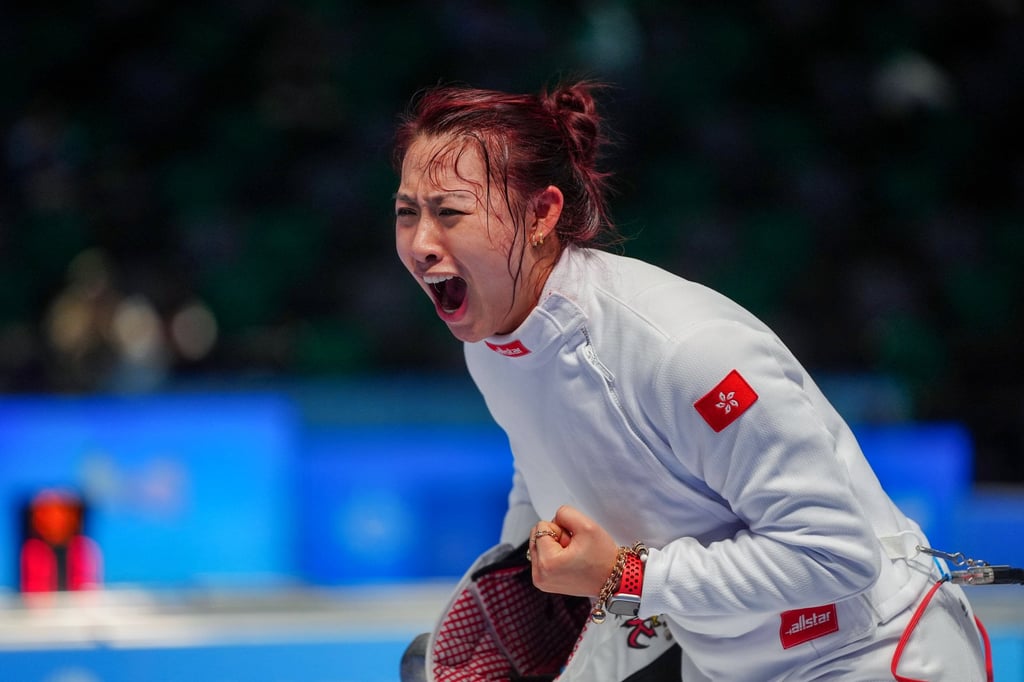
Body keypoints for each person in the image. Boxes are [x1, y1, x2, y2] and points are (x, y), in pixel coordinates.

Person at [392, 80, 990, 681]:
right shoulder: (493, 348)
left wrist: (626, 577)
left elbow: (834, 552)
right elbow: (548, 463)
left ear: (542, 213)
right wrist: (533, 573)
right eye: (406, 213)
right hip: (724, 665)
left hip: (872, 655)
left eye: (449, 213)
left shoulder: (682, 350)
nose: (420, 243)